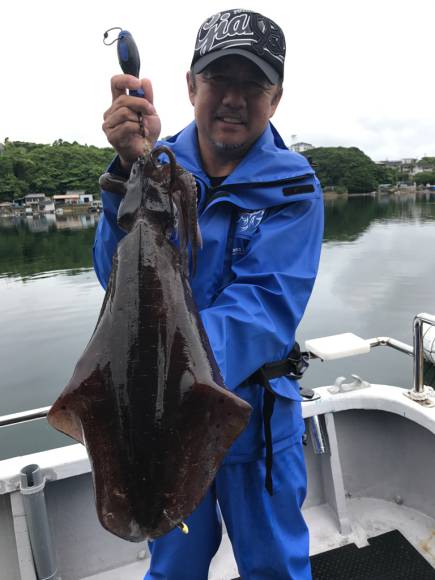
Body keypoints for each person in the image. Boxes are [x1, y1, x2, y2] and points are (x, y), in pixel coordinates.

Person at [94, 8, 324, 580]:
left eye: (255, 84)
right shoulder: (152, 164)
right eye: (221, 79)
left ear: (276, 99)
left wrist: (166, 368)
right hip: (161, 421)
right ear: (191, 85)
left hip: (257, 421)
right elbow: (112, 279)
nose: (234, 99)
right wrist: (127, 175)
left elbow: (265, 308)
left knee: (274, 565)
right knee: (173, 566)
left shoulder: (295, 186)